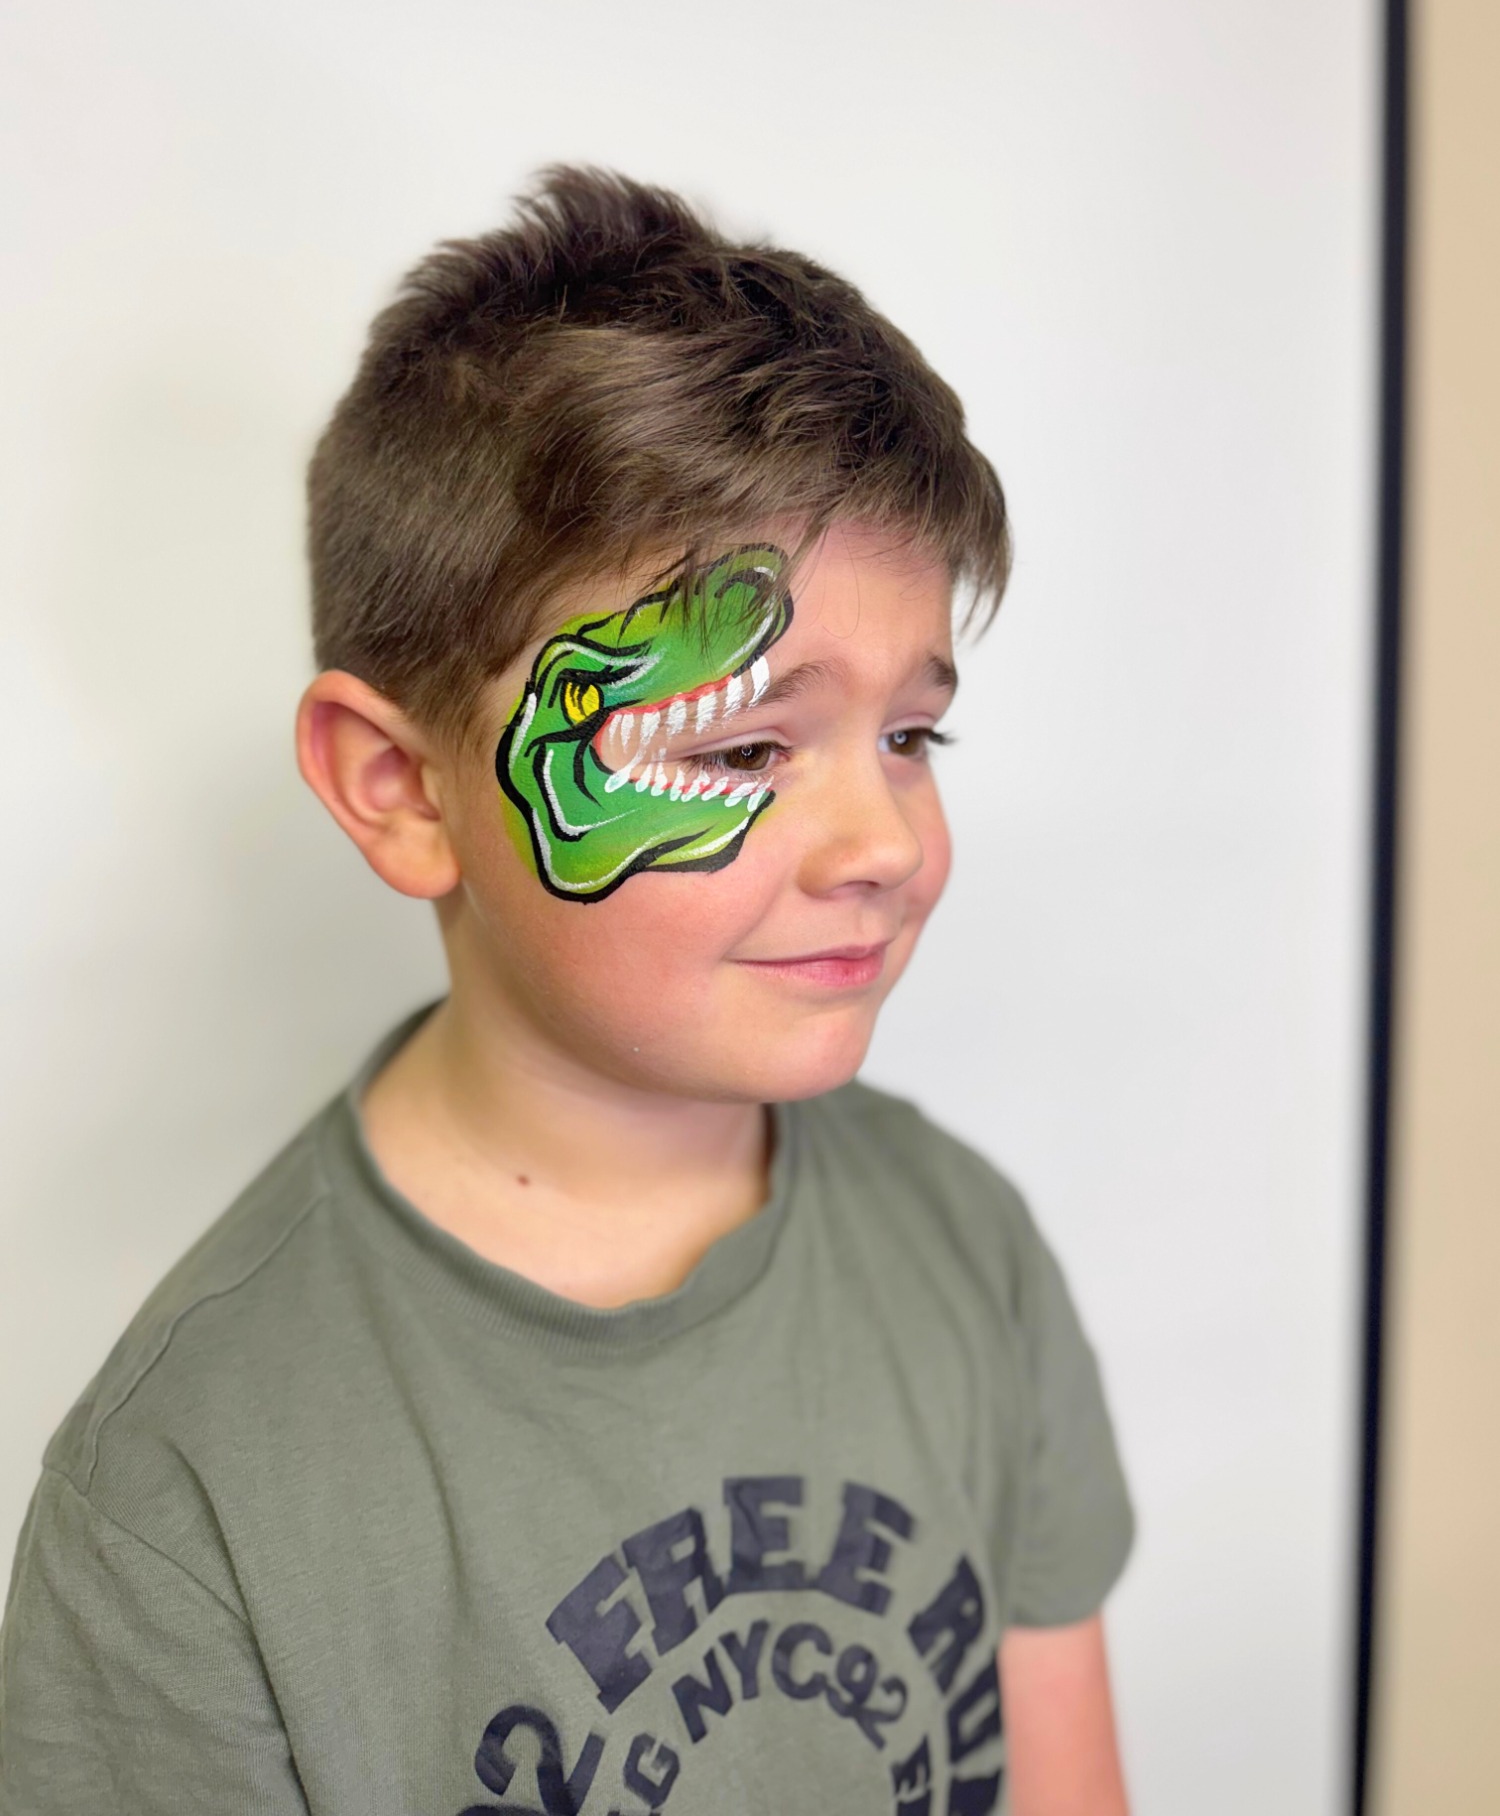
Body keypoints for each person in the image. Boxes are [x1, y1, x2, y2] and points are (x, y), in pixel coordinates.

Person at [0, 169, 1134, 1815]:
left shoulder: (969, 1255)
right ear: (402, 788)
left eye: (910, 734)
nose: (885, 841)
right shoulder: (186, 1506)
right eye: (742, 748)